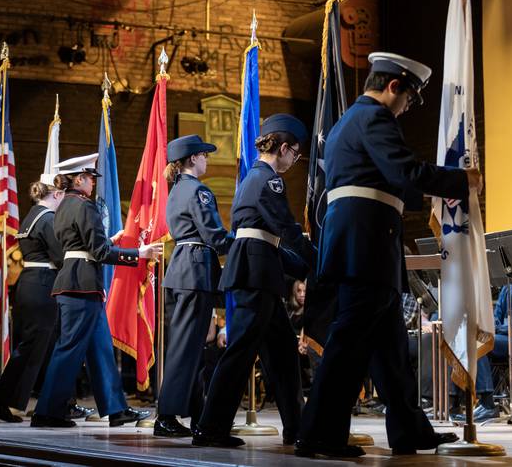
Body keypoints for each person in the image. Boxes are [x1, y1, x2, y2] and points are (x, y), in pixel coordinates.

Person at [297, 52, 482, 458]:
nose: (407, 108)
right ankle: (319, 434)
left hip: (363, 244)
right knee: (348, 346)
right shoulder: (375, 118)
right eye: (409, 99)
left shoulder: (349, 121)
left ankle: (409, 431)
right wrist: (461, 181)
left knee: (391, 351)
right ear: (393, 86)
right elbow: (405, 172)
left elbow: (388, 180)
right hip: (367, 245)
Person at [193, 114, 313, 448]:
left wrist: (306, 264)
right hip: (256, 275)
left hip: (260, 272)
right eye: (295, 154)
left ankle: (297, 428)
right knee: (240, 353)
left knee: (284, 355)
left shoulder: (253, 177)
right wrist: (318, 258)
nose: (294, 161)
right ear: (284, 148)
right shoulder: (268, 180)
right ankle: (210, 428)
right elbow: (286, 229)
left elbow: (268, 240)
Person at [31, 153, 161, 428]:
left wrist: (110, 240)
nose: (93, 183)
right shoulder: (84, 206)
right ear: (79, 179)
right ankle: (47, 412)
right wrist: (139, 253)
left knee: (101, 349)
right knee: (68, 349)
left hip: (77, 284)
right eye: (90, 178)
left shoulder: (63, 206)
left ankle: (116, 409)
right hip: (82, 286)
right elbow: (99, 252)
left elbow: (81, 243)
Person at [155, 135, 234, 437]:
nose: (206, 160)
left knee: (191, 347)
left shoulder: (177, 190)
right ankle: (166, 415)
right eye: (204, 155)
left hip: (182, 269)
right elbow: (214, 235)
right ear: (192, 159)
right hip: (195, 270)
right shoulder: (198, 190)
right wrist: (244, 243)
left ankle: (197, 414)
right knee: (187, 348)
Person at [0, 175, 65, 423]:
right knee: (32, 349)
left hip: (29, 282)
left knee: (34, 348)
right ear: (57, 194)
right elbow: (60, 256)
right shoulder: (48, 219)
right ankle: (0, 402)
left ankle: (26, 403)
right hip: (42, 284)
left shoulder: (32, 215)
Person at [452, 279, 512, 422]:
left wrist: (496, 328)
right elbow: (496, 317)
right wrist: (493, 326)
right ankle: (454, 403)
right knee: (461, 340)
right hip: (506, 338)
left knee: (478, 341)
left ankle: (487, 404)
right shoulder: (508, 285)